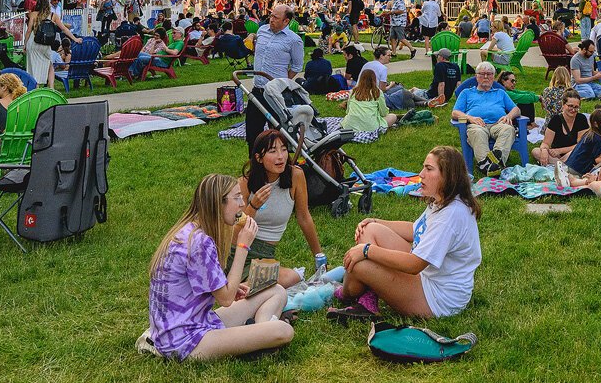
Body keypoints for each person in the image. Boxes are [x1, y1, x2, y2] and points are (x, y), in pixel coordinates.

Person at [145, 173, 294, 361]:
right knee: (284, 330)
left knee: (277, 291)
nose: (242, 203)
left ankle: (259, 335)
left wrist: (230, 286)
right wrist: (243, 246)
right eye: (237, 197)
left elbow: (209, 286)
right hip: (185, 342)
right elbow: (225, 299)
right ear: (218, 203)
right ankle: (262, 334)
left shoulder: (190, 230)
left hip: (196, 323)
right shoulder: (199, 242)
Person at [332, 146, 481, 321]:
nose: (421, 174)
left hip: (438, 299)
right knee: (369, 230)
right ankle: (367, 298)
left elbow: (414, 265)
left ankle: (348, 293)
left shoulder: (450, 216)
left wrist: (367, 251)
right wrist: (375, 221)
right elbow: (416, 229)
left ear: (448, 176)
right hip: (428, 278)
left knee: (359, 264)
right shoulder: (443, 200)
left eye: (429, 169)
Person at [241, 129, 326, 268]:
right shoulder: (245, 183)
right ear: (258, 158)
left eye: (284, 149)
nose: (280, 156)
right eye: (272, 151)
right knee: (288, 279)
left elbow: (304, 218)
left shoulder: (296, 176)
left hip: (267, 253)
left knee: (292, 278)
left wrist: (319, 257)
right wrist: (253, 206)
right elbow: (236, 230)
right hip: (240, 250)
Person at [450, 62, 520, 175]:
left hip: (498, 124)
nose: (486, 77)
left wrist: (509, 116)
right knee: (477, 132)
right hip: (478, 125)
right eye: (482, 74)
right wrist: (470, 118)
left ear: (493, 76)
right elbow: (455, 112)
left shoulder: (500, 93)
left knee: (508, 129)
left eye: (489, 74)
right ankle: (494, 164)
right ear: (476, 76)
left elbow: (516, 109)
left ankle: (487, 164)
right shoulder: (466, 93)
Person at [252, 2, 305, 97]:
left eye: (275, 18)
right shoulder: (262, 30)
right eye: (271, 16)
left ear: (286, 21)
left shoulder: (294, 40)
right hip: (257, 89)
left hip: (277, 92)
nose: (271, 20)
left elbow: (297, 66)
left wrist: (281, 82)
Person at [25, 0, 78, 88]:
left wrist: (25, 44)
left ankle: (36, 87)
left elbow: (29, 31)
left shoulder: (33, 14)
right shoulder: (53, 16)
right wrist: (75, 39)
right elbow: (64, 29)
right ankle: (51, 87)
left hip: (33, 43)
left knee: (33, 66)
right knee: (50, 65)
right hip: (46, 45)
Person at [533, 90, 589, 166]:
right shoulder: (556, 120)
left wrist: (560, 150)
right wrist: (544, 150)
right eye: (570, 106)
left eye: (576, 107)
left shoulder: (581, 119)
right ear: (563, 105)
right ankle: (563, 165)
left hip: (573, 153)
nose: (573, 109)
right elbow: (546, 143)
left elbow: (581, 145)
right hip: (556, 155)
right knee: (536, 151)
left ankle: (559, 165)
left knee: (582, 152)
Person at [564, 105, 601, 177]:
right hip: (577, 171)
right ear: (596, 124)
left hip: (569, 166)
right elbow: (597, 160)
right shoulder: (598, 138)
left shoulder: (590, 133)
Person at [345, 67, 397, 132]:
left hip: (349, 126)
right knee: (393, 116)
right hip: (370, 127)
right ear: (374, 80)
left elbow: (347, 111)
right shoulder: (377, 92)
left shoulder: (353, 91)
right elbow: (383, 113)